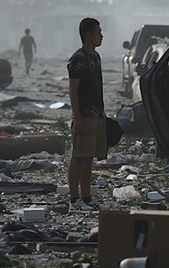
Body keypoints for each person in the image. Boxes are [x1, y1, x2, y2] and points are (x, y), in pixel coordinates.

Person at [66, 18, 106, 212]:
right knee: (78, 157)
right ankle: (75, 199)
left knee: (88, 158)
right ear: (88, 35)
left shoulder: (95, 56)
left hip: (96, 115)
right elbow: (73, 91)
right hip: (83, 115)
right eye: (98, 32)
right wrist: (77, 117)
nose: (101, 35)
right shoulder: (78, 59)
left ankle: (86, 197)